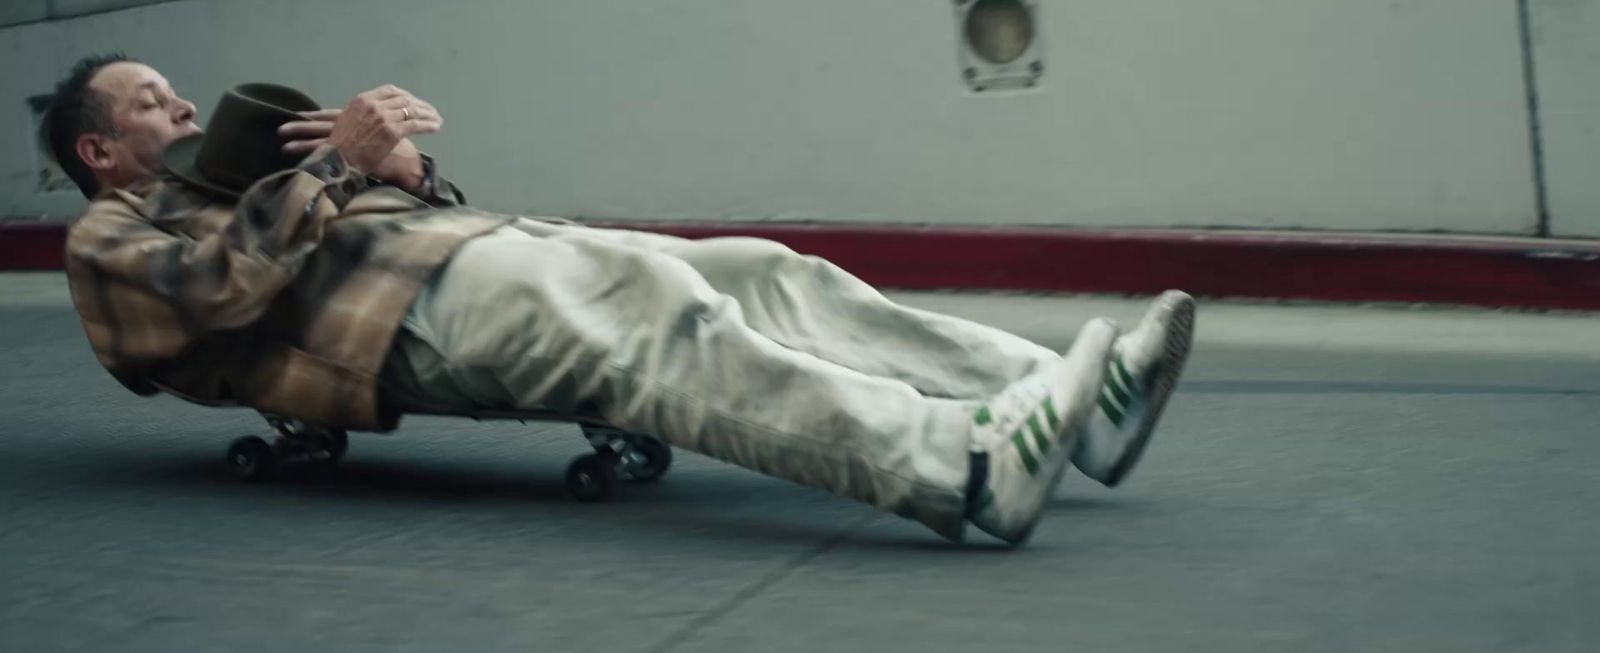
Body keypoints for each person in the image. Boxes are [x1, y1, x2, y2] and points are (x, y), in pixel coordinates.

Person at [48, 53, 1196, 546]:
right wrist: (335, 172)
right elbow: (215, 295)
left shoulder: (231, 178)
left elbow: (352, 218)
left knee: (757, 267)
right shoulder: (111, 235)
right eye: (155, 103)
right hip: (396, 330)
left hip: (473, 256)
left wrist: (397, 173)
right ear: (102, 150)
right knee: (653, 313)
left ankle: (1064, 407)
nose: (183, 106)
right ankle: (964, 469)